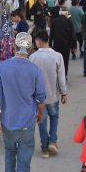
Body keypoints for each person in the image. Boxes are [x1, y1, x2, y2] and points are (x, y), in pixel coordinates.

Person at [0, 32, 47, 172]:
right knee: (24, 162)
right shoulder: (35, 70)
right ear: (30, 49)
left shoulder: (1, 67)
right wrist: (40, 113)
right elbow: (41, 98)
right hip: (27, 123)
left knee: (9, 155)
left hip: (8, 121)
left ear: (14, 47)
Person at [29, 30, 67, 158]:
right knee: (54, 118)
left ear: (38, 41)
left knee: (41, 121)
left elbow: (30, 79)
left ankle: (45, 149)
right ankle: (53, 141)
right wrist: (64, 93)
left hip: (39, 99)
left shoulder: (33, 57)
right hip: (53, 96)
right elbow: (61, 77)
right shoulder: (57, 56)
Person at [50, 5, 77, 77]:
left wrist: (49, 44)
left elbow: (51, 34)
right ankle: (64, 75)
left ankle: (57, 74)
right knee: (65, 60)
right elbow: (72, 34)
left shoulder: (54, 21)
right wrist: (74, 45)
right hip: (66, 45)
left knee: (56, 60)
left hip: (56, 44)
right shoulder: (69, 22)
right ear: (66, 13)